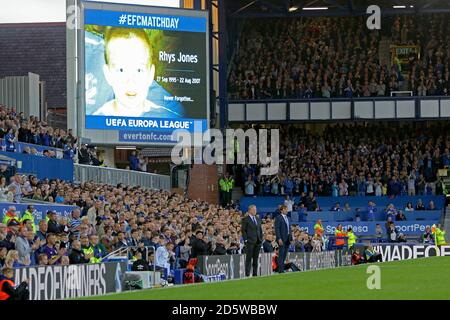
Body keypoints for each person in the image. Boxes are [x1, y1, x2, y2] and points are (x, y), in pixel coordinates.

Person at [93, 28, 182, 118]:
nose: (131, 81)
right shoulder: (93, 122)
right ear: (108, 75)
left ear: (151, 74)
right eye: (121, 70)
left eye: (139, 70)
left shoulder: (171, 118)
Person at [241, 205, 263, 277]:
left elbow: (260, 230)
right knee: (249, 259)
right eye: (254, 210)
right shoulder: (245, 219)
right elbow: (243, 230)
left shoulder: (258, 218)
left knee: (256, 259)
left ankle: (255, 274)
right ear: (249, 210)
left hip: (258, 241)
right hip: (250, 242)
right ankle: (247, 274)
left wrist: (261, 238)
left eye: (255, 210)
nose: (255, 211)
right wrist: (246, 240)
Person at [274, 205, 292, 273]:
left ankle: (281, 268)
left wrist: (291, 238)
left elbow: (289, 228)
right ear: (281, 210)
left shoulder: (287, 218)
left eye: (287, 209)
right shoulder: (278, 218)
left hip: (287, 238)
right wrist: (279, 238)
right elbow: (277, 229)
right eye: (285, 209)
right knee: (281, 254)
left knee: (284, 254)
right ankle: (280, 270)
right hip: (281, 238)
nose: (287, 210)